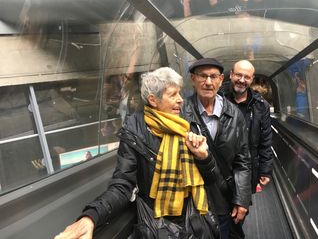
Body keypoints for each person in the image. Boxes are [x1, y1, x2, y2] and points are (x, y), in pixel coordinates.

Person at [54, 67, 219, 239]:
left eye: (179, 93)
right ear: (153, 100)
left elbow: (211, 179)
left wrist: (204, 158)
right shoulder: (135, 133)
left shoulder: (188, 123)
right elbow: (122, 184)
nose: (180, 100)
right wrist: (91, 217)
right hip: (159, 226)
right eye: (173, 95)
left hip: (196, 220)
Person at [181, 58, 251, 239]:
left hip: (222, 195)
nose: (208, 82)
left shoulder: (234, 114)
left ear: (221, 79)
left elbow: (242, 160)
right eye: (202, 76)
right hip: (191, 199)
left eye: (213, 76)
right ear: (193, 79)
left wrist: (242, 200)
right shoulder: (180, 112)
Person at [222, 60, 273, 195]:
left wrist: (265, 170)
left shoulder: (261, 105)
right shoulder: (218, 98)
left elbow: (266, 140)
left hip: (247, 167)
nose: (242, 80)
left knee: (242, 209)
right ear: (231, 75)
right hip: (222, 167)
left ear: (252, 79)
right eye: (238, 75)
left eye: (247, 77)